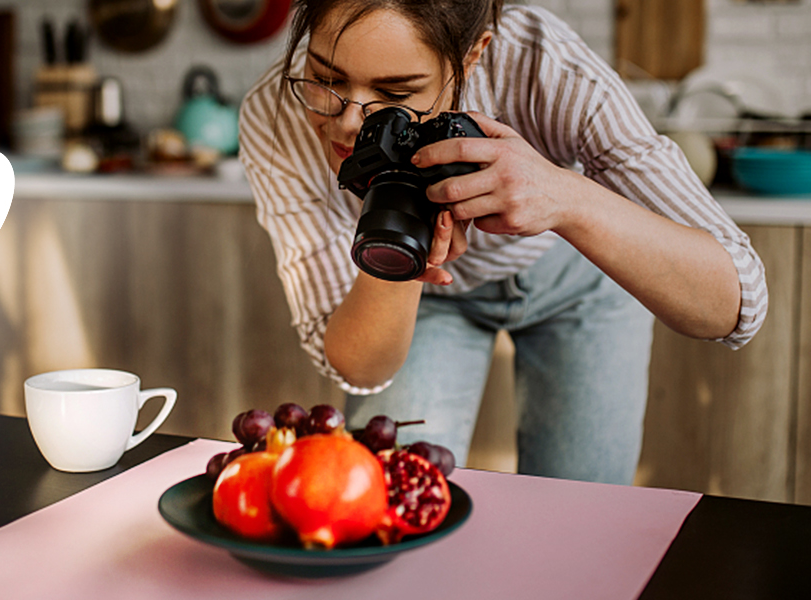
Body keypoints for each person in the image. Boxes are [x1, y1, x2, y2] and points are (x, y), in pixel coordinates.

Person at [238, 0, 767, 484]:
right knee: (389, 495)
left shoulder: (539, 63)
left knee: (578, 514)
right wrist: (403, 244)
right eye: (325, 78)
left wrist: (564, 197)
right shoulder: (274, 116)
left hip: (576, 280)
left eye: (396, 95)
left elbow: (734, 303)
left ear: (473, 55)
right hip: (432, 299)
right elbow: (357, 365)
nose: (350, 123)